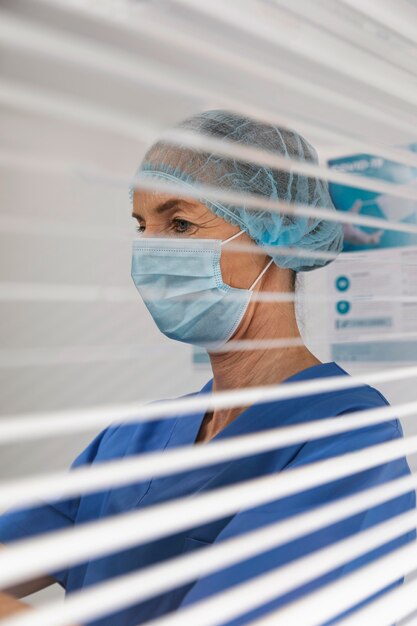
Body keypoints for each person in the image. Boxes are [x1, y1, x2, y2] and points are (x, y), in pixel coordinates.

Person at [0, 110, 414, 626]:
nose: (151, 251)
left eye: (180, 223)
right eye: (141, 226)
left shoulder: (348, 441)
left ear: (275, 232)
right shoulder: (134, 440)